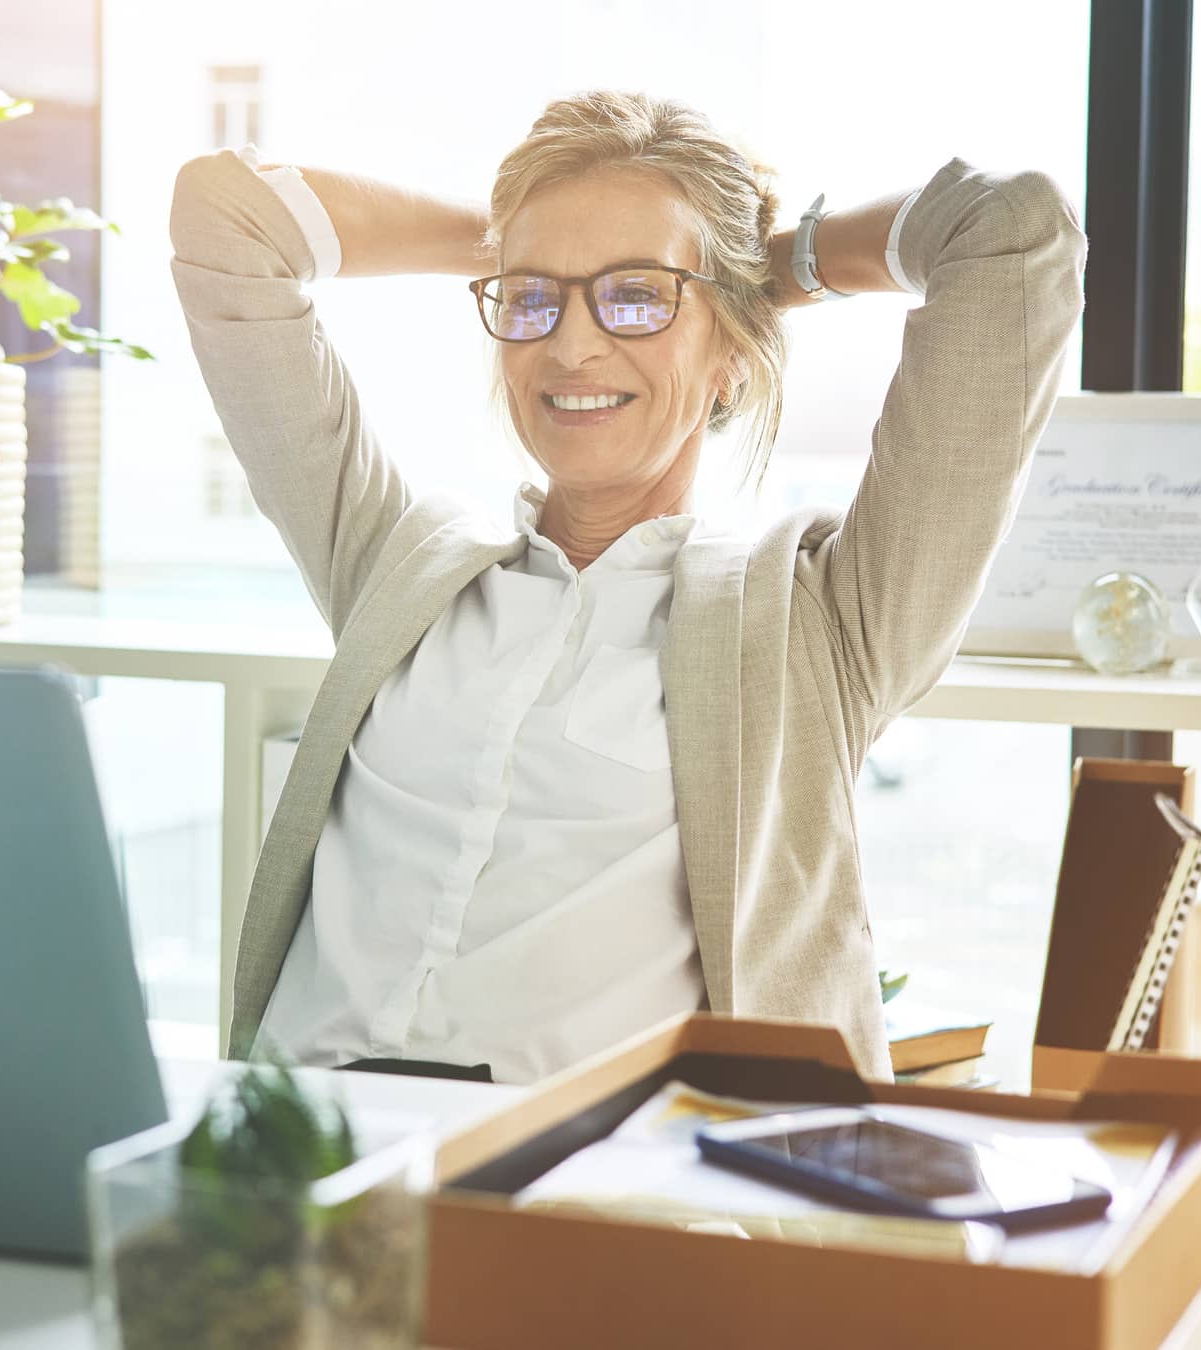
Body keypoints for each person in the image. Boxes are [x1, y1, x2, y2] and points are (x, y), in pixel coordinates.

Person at [169, 90, 1085, 1083]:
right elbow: (227, 218)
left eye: (637, 298)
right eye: (533, 301)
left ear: (731, 355)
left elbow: (1011, 232)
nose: (570, 347)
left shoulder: (820, 625)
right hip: (286, 1173)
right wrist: (515, 245)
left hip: (578, 1199)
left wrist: (774, 268)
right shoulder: (398, 568)